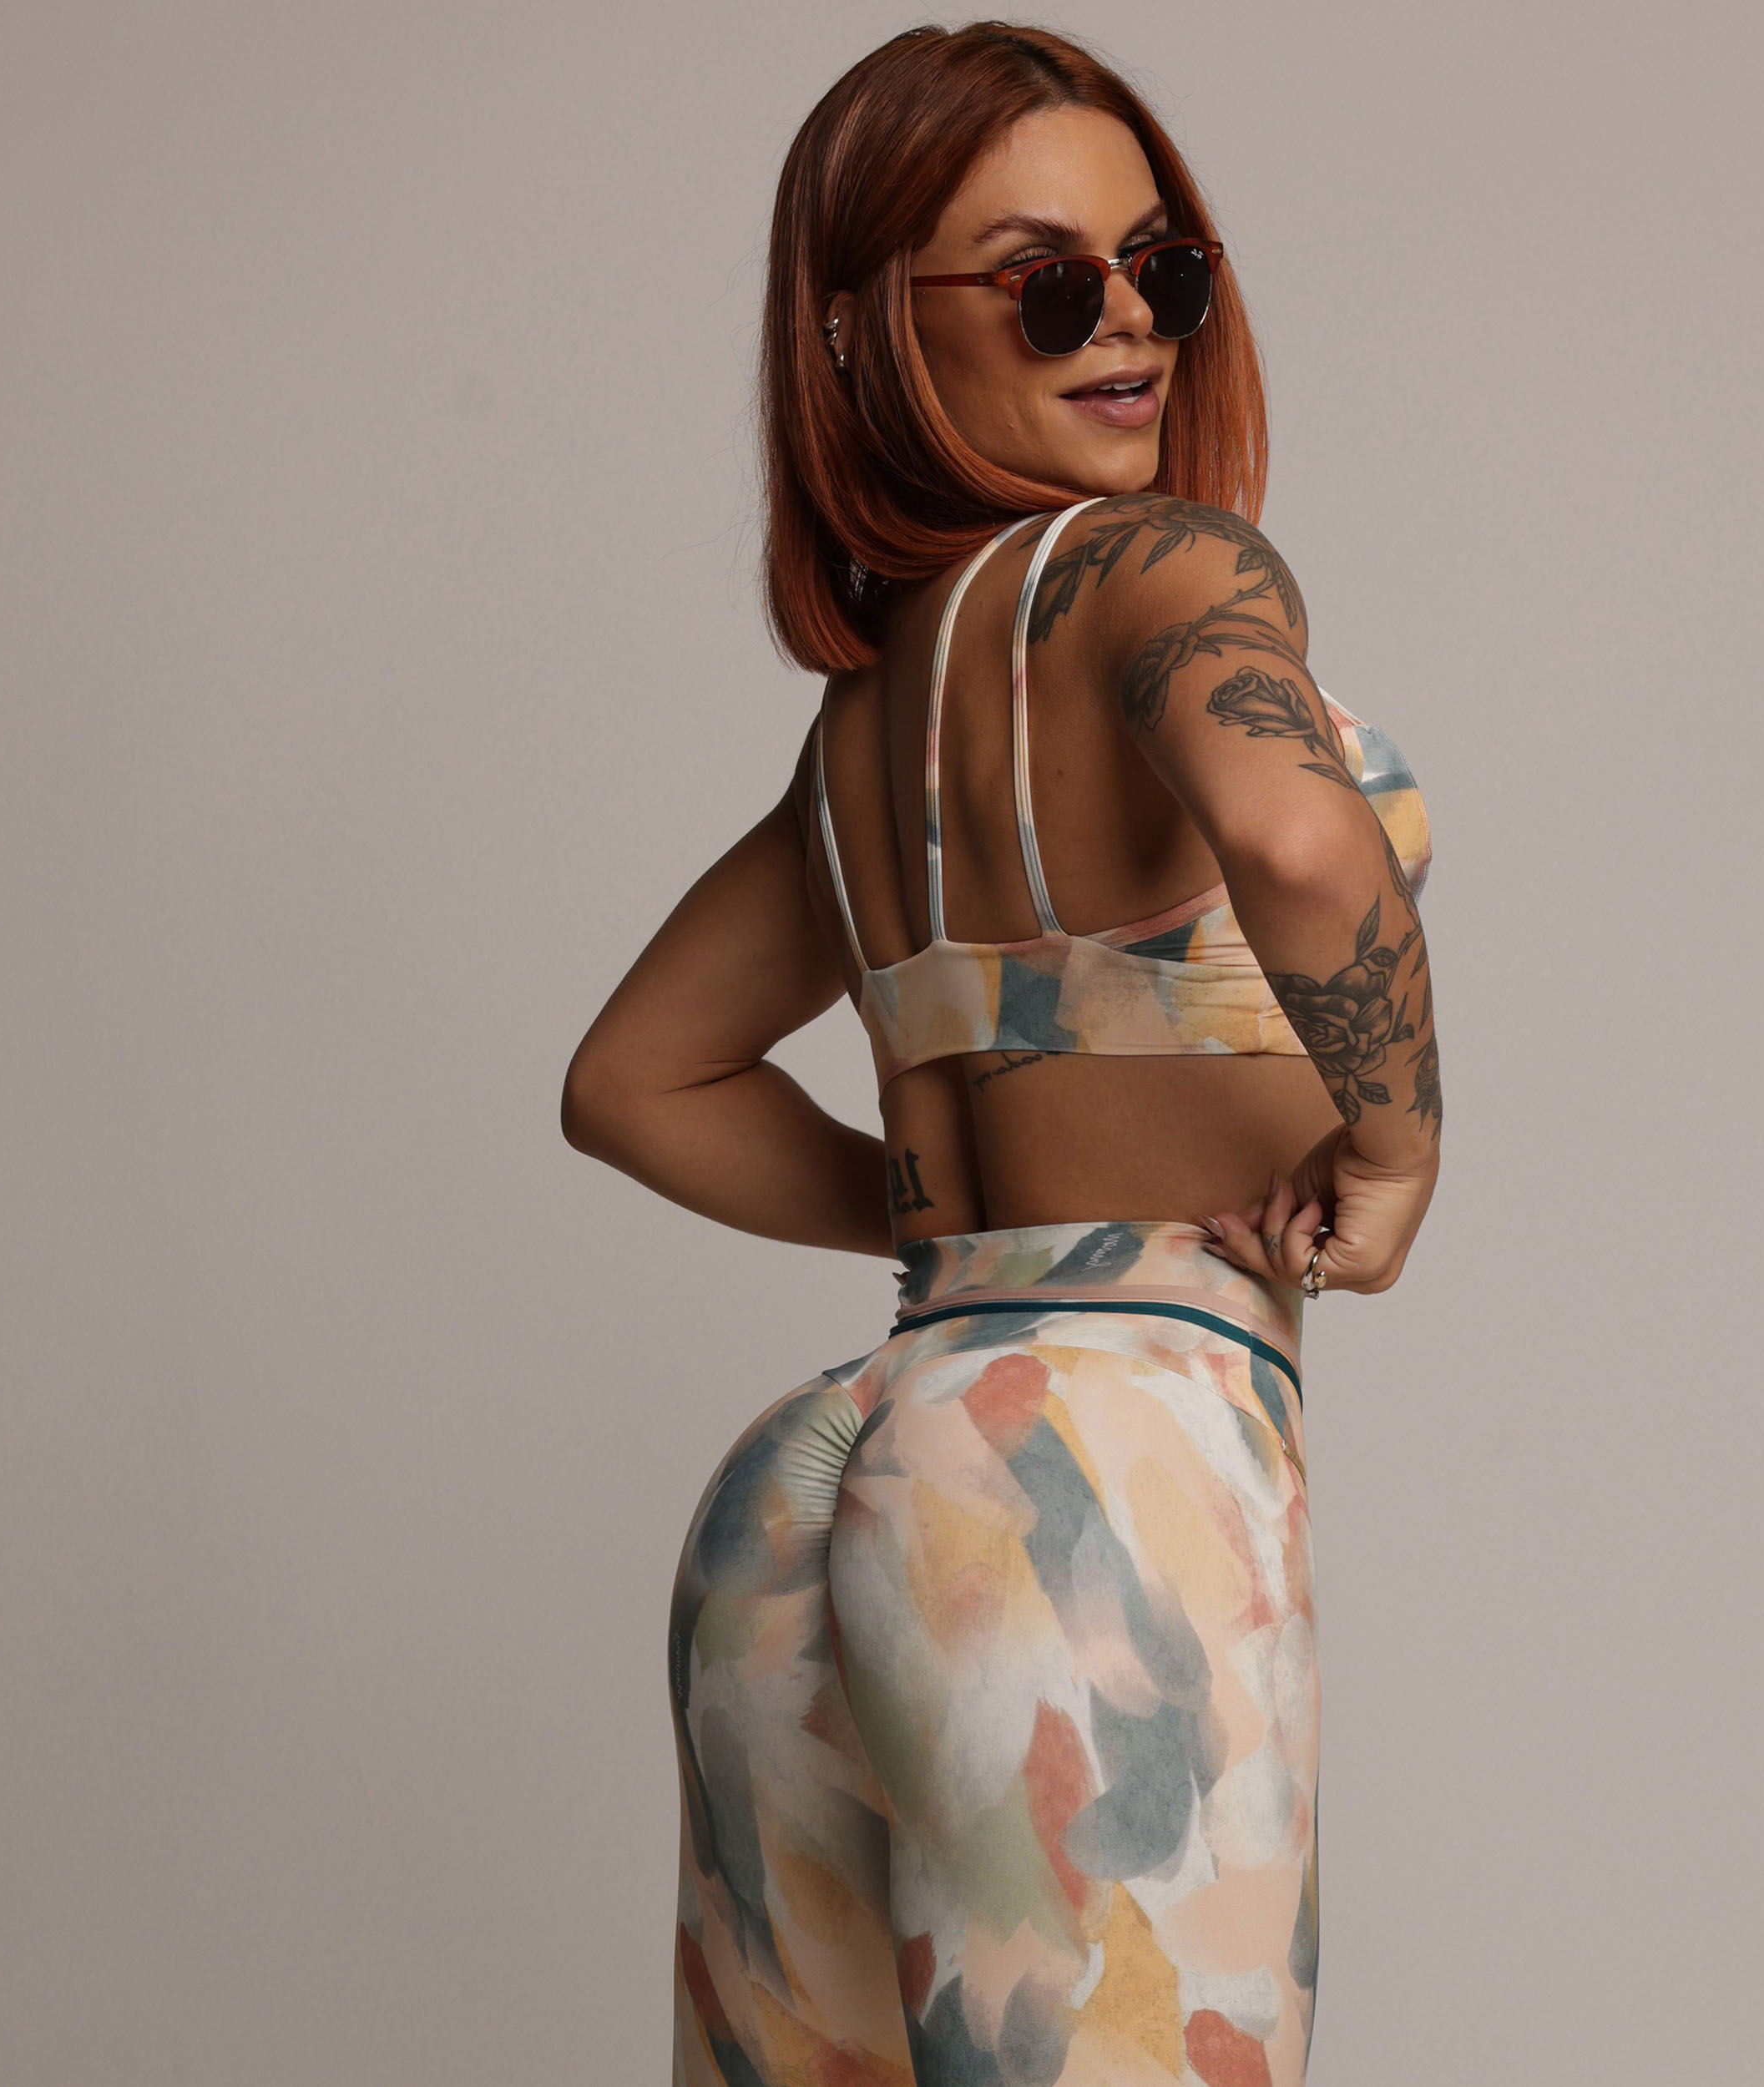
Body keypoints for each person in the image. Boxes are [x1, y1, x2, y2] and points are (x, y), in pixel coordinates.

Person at [562, 23, 1442, 2084]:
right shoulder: (1171, 571)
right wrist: (1394, 1145)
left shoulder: (871, 724)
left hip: (827, 1472)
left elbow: (631, 1080)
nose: (1124, 315)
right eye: (1046, 281)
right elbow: (1299, 844)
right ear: (863, 329)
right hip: (1090, 1482)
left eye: (1161, 264)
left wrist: (959, 1223)